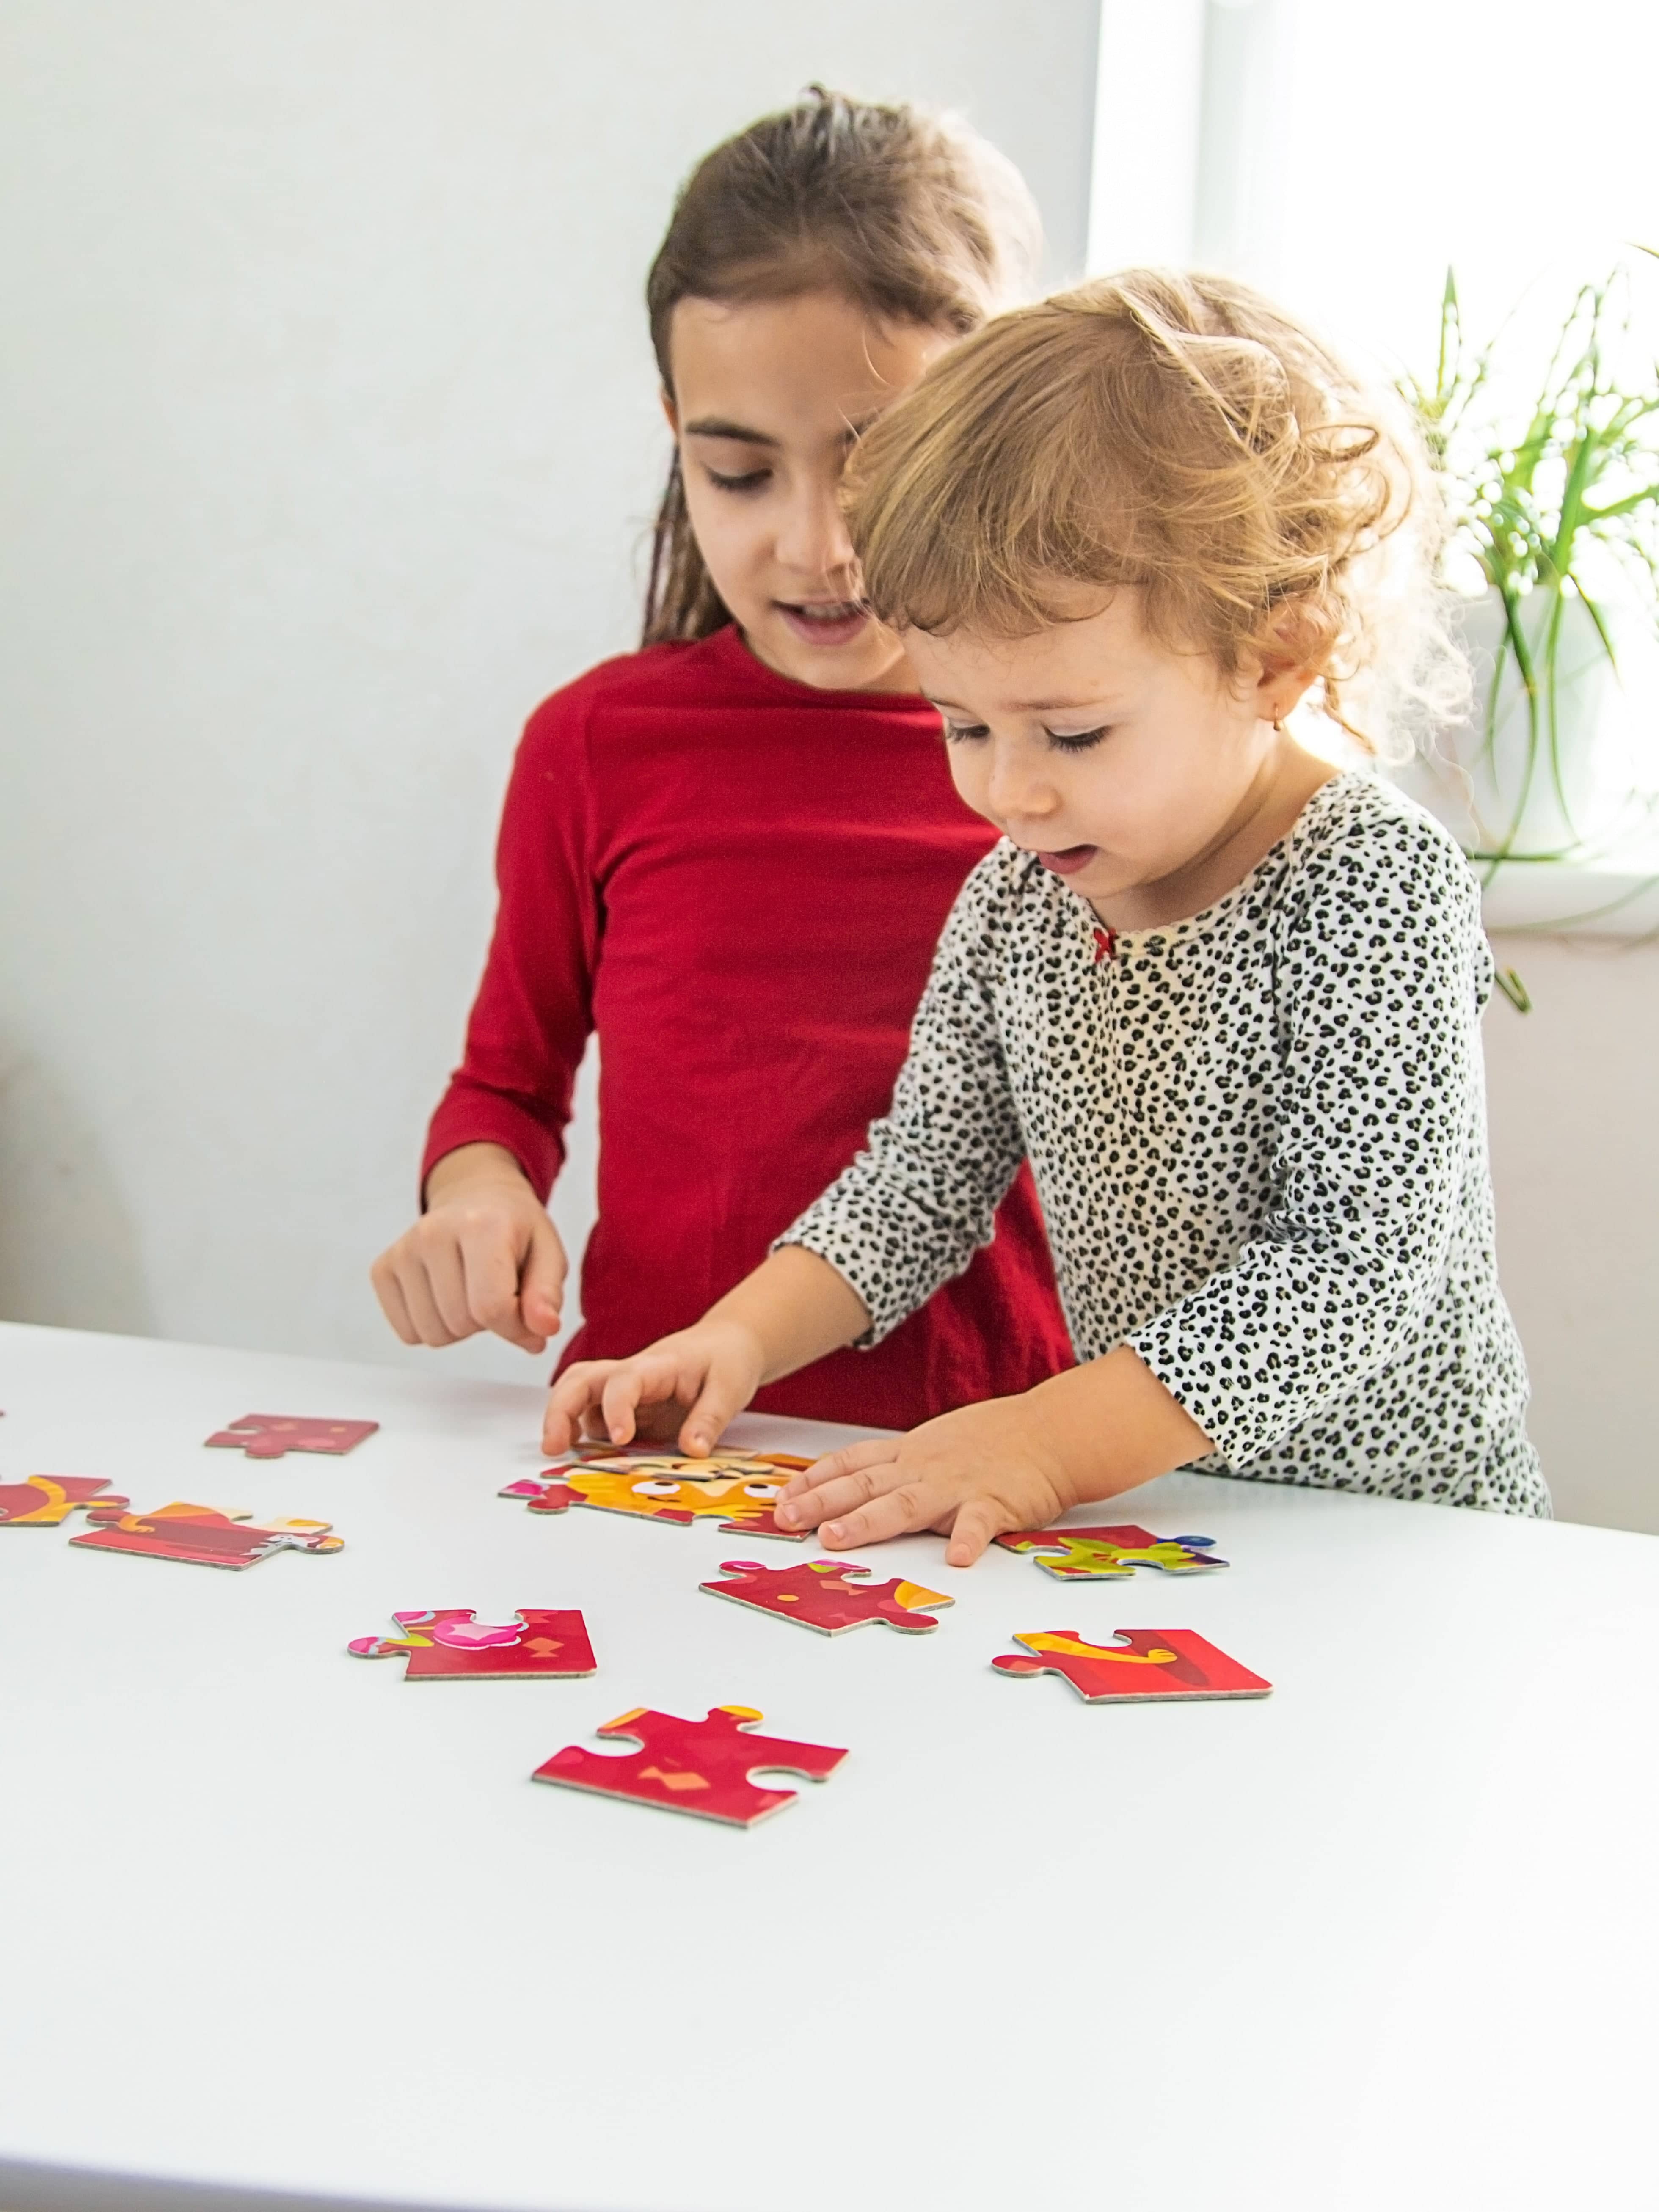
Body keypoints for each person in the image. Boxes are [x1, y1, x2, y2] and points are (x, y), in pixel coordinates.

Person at [544, 269, 1548, 1556]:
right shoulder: (1019, 901)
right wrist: (733, 1336)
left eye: (1071, 730)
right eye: (963, 722)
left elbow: (1354, 1271)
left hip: (1405, 1544)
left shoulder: (1367, 880)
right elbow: (918, 1184)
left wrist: (1045, 1437)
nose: (1008, 790)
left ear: (1274, 661)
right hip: (1169, 1525)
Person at [370, 89, 1073, 1427]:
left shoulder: (1080, 755)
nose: (817, 547)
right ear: (674, 430)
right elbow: (505, 1087)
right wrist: (477, 1195)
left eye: (880, 464)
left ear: (991, 418)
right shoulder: (595, 746)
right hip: (665, 1455)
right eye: (741, 474)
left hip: (1004, 1475)